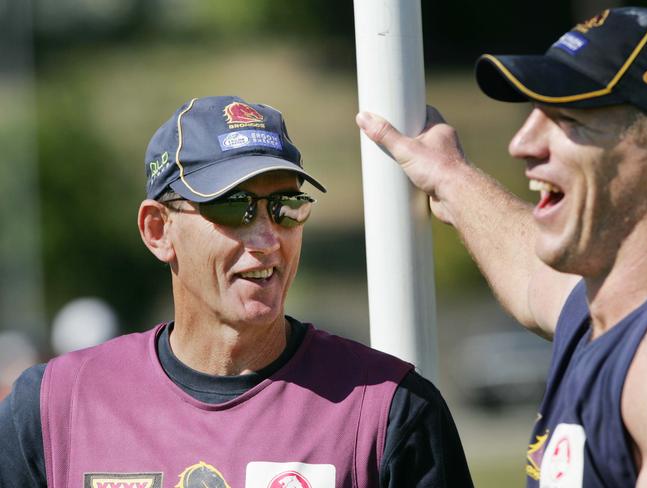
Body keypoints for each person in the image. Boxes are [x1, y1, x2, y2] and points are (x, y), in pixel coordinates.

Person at [0, 96, 473, 487]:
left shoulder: (392, 409)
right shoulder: (50, 406)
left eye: (285, 205)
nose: (268, 238)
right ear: (157, 230)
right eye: (233, 206)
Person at [356, 7, 647, 488]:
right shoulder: (597, 313)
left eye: (568, 118)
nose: (522, 143)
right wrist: (451, 178)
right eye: (534, 115)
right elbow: (531, 272)